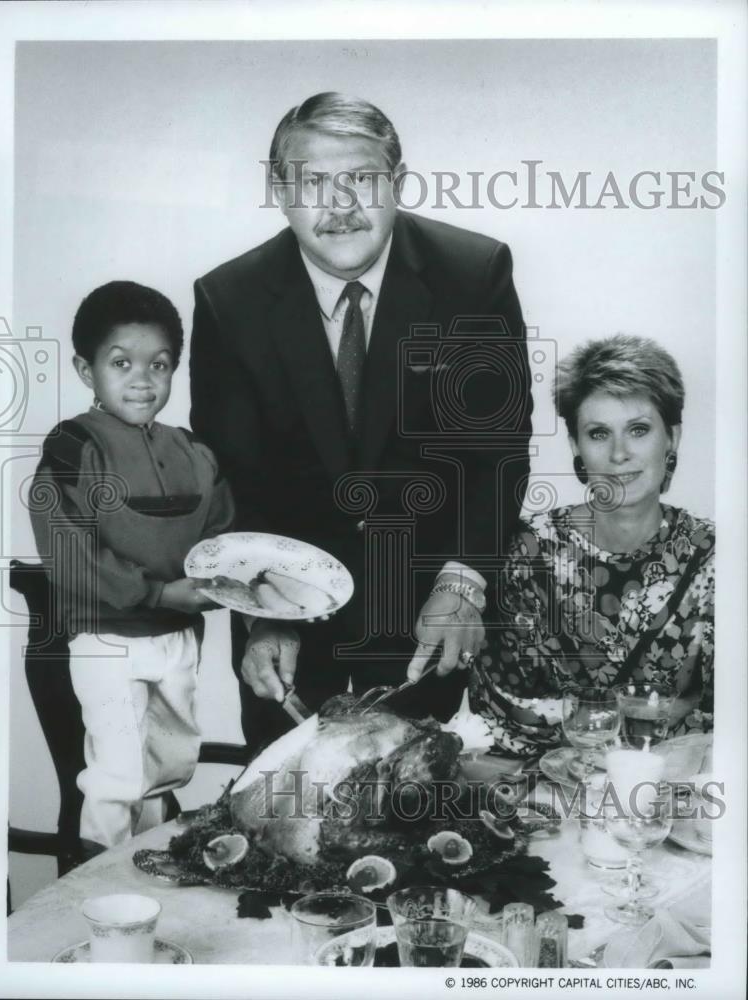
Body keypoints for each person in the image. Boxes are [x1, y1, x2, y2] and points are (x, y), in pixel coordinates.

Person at [190, 92, 532, 748]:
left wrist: (463, 584)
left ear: (398, 184)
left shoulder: (473, 275)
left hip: (433, 610)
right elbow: (234, 477)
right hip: (284, 621)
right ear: (278, 188)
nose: (340, 205)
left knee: (423, 819)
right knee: (281, 825)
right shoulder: (227, 300)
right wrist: (264, 612)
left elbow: (500, 452)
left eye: (363, 180)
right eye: (315, 182)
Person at [30, 281, 235, 850]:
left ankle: (150, 878)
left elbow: (221, 531)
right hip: (108, 638)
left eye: (160, 364)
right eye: (121, 363)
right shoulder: (73, 446)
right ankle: (100, 901)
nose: (143, 378)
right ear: (85, 368)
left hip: (178, 641)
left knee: (169, 766)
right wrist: (159, 593)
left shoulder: (195, 450)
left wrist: (220, 581)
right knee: (117, 776)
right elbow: (68, 548)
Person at [469, 334, 714, 754]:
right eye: (599, 433)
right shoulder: (528, 552)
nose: (620, 454)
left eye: (639, 430)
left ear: (671, 437)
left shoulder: (716, 555)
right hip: (548, 793)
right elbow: (505, 713)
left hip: (677, 794)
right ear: (575, 448)